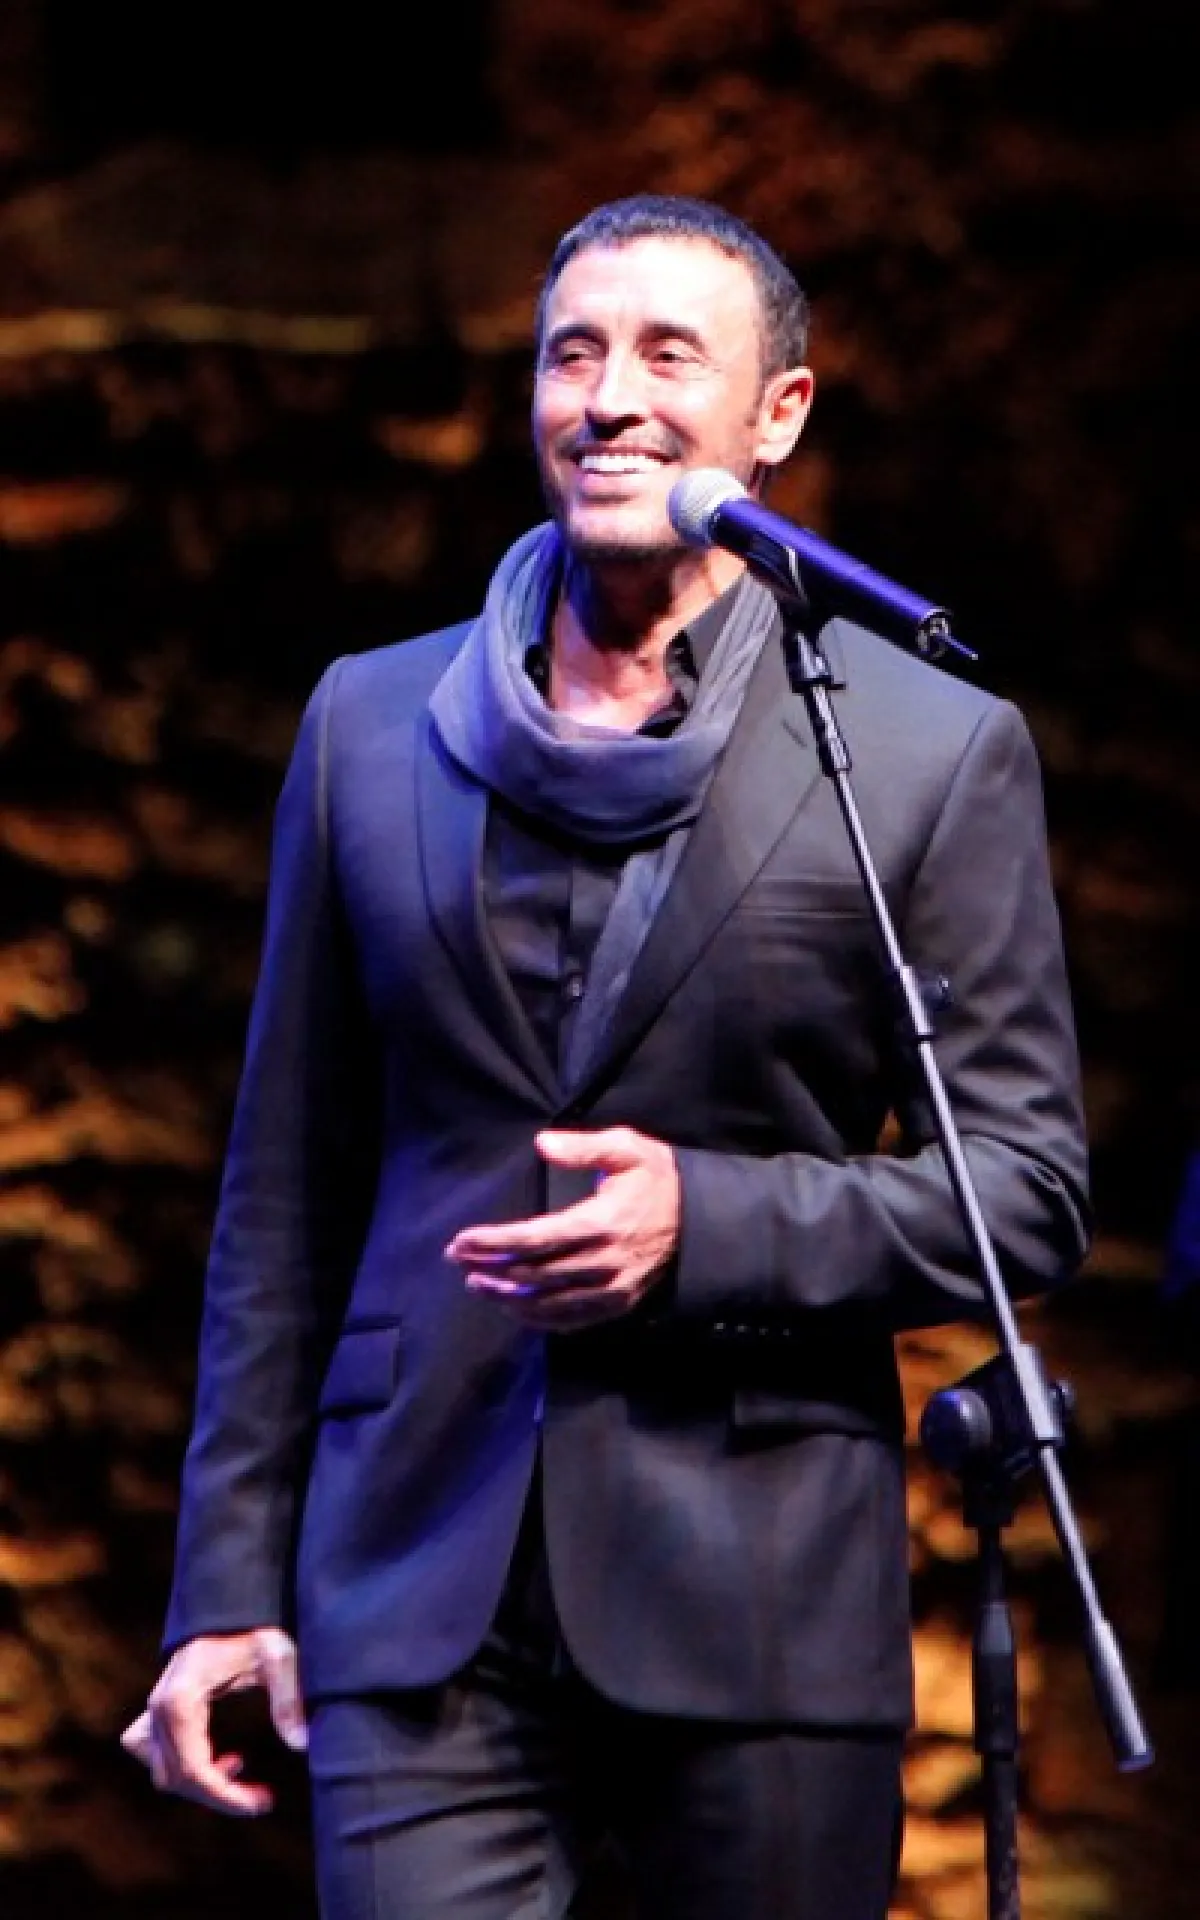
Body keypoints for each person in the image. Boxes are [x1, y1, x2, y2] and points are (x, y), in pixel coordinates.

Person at [122, 195, 1090, 1918]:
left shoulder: (923, 753)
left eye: (667, 355)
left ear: (777, 417)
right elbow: (284, 1191)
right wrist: (224, 1588)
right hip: (417, 1594)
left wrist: (704, 1222)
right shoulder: (369, 727)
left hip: (758, 1604)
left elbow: (1021, 1190)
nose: (611, 398)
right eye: (573, 353)